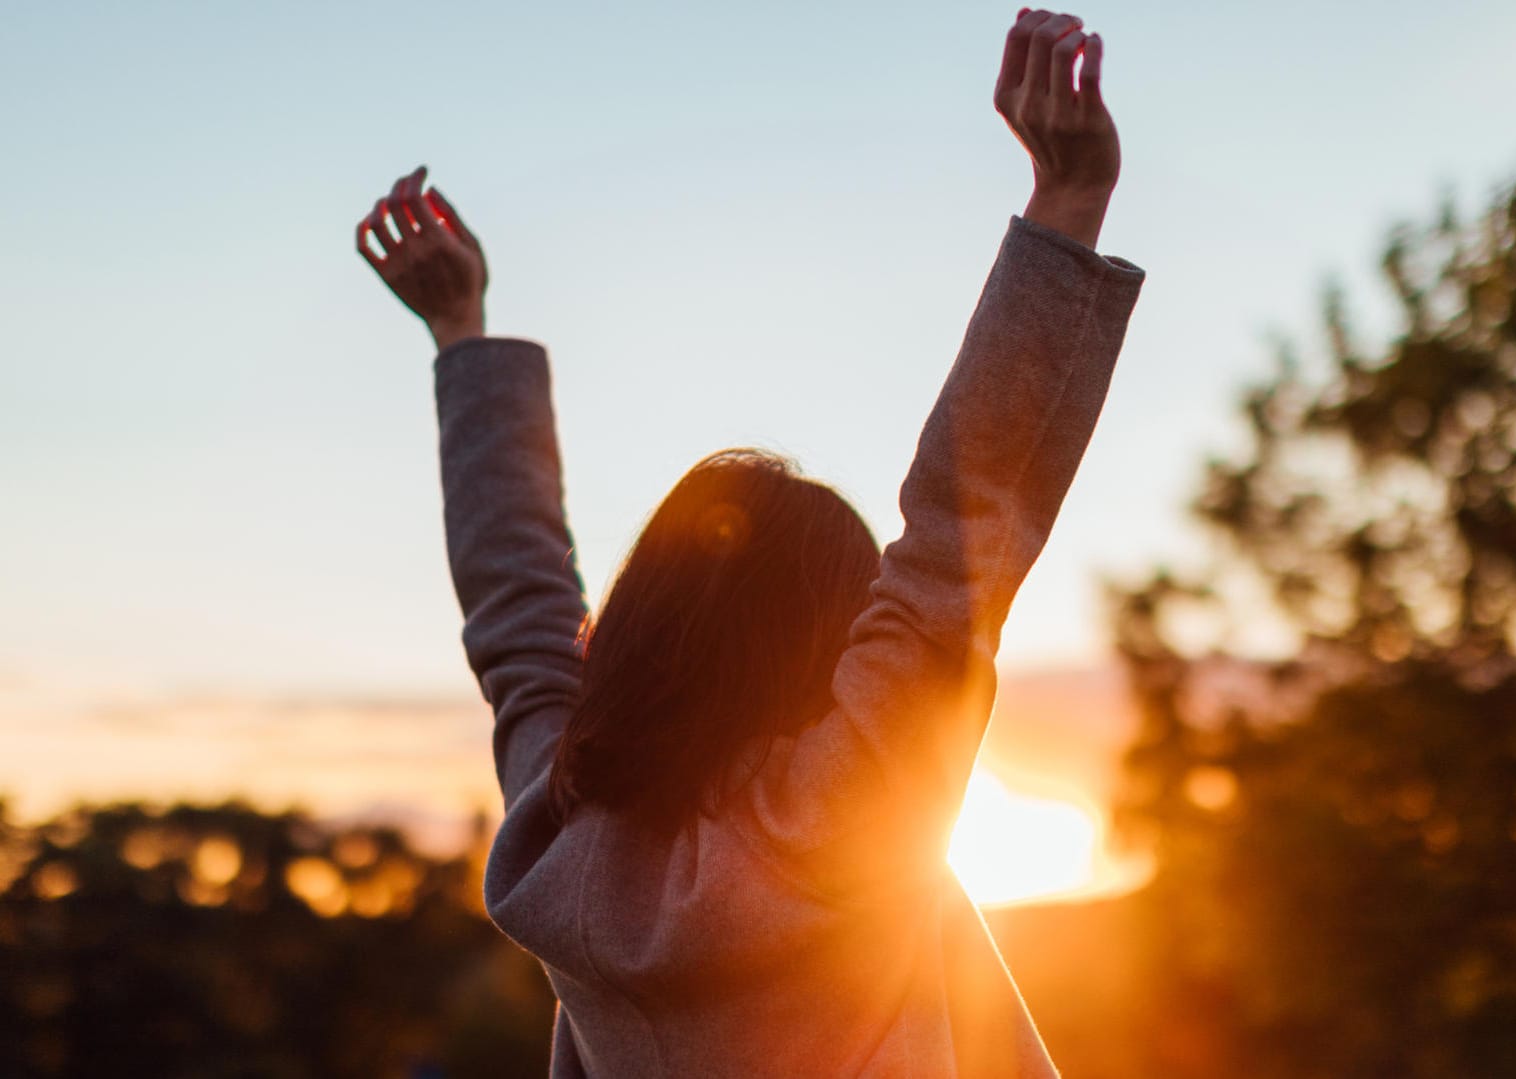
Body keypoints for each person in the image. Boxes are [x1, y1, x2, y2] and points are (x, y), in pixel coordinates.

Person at [357, 9, 1143, 1076]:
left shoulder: (555, 837)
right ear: (822, 647)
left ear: (630, 633)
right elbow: (957, 539)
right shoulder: (840, 814)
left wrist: (463, 334)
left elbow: (521, 617)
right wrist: (1067, 200)